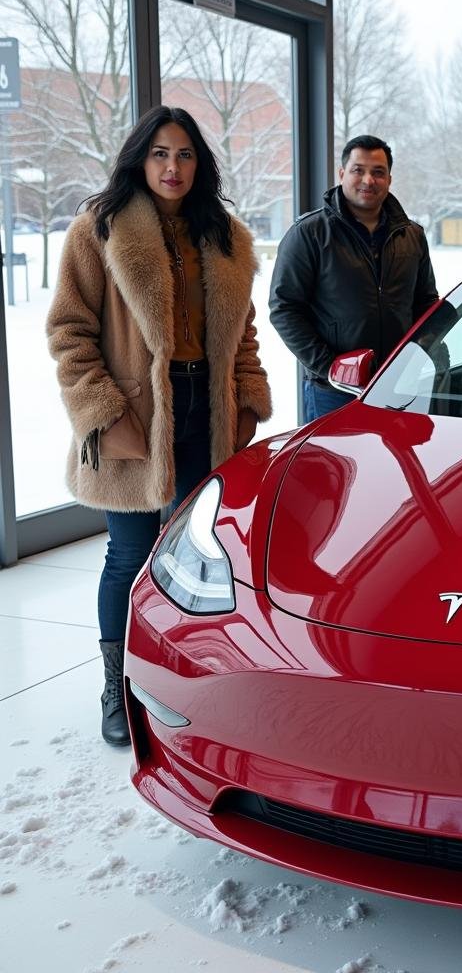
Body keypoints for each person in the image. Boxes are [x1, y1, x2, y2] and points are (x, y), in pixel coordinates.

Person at [47, 105, 272, 746]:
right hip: (136, 409)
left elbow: (243, 333)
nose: (173, 167)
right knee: (129, 555)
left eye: (185, 155)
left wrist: (249, 400)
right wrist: (101, 412)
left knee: (198, 554)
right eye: (160, 154)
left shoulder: (224, 235)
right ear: (140, 159)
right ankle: (117, 690)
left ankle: (180, 681)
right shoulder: (101, 227)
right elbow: (69, 330)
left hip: (209, 406)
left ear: (200, 165)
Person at [269, 134, 438, 422]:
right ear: (342, 173)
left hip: (399, 387)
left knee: (394, 467)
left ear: (389, 179)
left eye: (378, 172)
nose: (368, 180)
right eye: (358, 170)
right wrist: (329, 365)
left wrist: (434, 355)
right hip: (332, 391)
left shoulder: (412, 236)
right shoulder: (309, 234)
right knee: (333, 468)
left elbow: (426, 303)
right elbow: (284, 308)